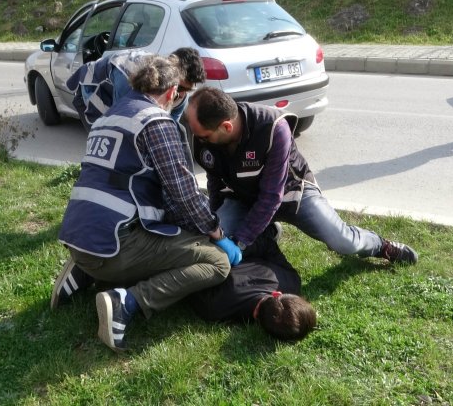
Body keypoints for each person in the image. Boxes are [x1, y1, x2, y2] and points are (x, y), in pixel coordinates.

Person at [54, 55, 242, 352]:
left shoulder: (108, 117)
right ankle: (126, 302)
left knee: (174, 232)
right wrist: (217, 233)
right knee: (216, 262)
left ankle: (83, 269)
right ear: (171, 92)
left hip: (80, 235)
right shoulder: (156, 122)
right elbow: (183, 195)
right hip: (114, 245)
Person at [185, 86, 418, 265]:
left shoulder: (273, 127)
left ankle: (380, 245)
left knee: (342, 241)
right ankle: (267, 231)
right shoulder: (203, 138)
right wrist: (217, 225)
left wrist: (241, 240)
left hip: (292, 194)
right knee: (213, 243)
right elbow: (214, 182)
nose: (198, 139)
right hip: (242, 197)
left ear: (226, 127)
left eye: (203, 135)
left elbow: (271, 197)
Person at [188, 225, 317, 341]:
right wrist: (235, 249)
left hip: (208, 237)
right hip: (230, 236)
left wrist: (234, 251)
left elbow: (267, 244)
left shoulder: (291, 281)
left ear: (277, 293)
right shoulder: (214, 309)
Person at [66, 47, 205, 132]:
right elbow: (120, 120)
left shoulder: (181, 94)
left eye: (188, 90)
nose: (181, 94)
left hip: (123, 91)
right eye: (179, 87)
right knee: (105, 136)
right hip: (96, 87)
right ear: (170, 70)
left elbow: (169, 127)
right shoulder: (130, 74)